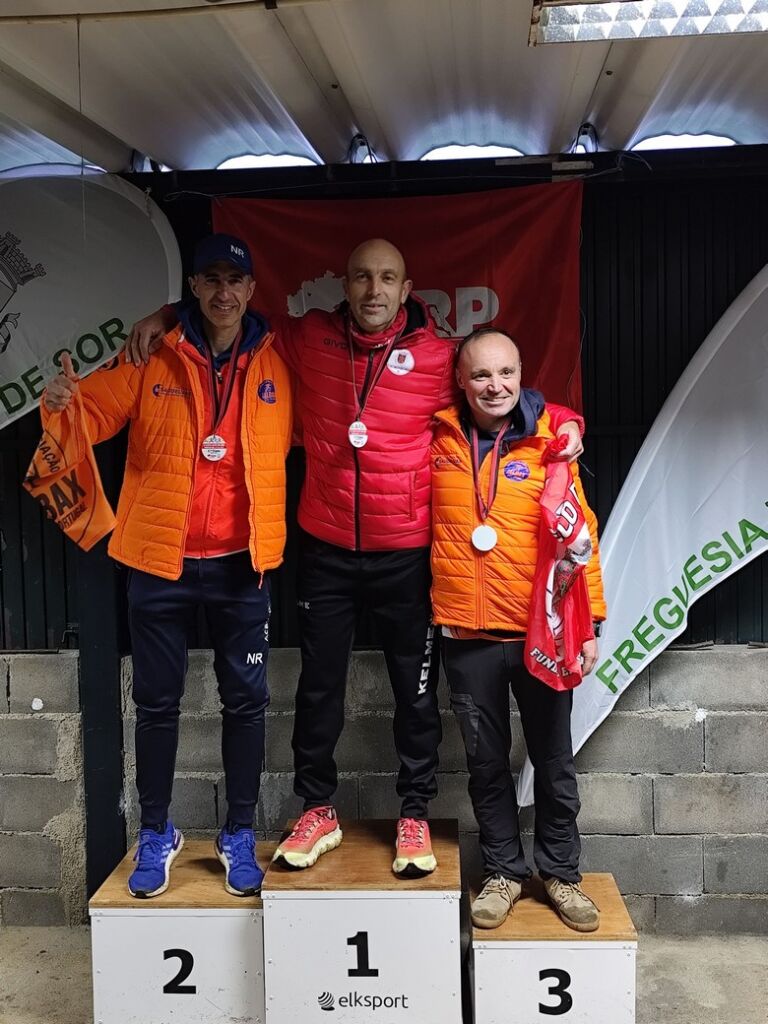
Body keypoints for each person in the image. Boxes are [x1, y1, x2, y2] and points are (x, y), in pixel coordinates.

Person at [125, 238, 583, 878]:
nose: (374, 290)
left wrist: (563, 419)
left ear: (406, 288)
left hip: (408, 553)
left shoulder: (441, 356)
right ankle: (317, 808)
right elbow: (228, 316)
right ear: (345, 285)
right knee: (318, 688)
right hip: (327, 549)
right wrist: (170, 313)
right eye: (363, 277)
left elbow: (501, 395)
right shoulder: (306, 338)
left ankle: (414, 812)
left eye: (387, 278)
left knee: (414, 693)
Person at [40, 234, 292, 898]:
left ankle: (239, 832)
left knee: (247, 704)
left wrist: (163, 312)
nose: (223, 292)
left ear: (252, 290)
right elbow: (91, 413)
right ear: (193, 288)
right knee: (156, 704)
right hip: (159, 562)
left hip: (242, 564)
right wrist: (63, 402)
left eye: (235, 280)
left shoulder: (278, 359)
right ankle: (157, 831)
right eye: (211, 279)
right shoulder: (151, 354)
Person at [429, 327, 606, 931]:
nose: (495, 385)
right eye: (481, 374)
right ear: (461, 380)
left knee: (553, 763)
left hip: (543, 634)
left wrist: (591, 622)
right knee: (485, 766)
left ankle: (561, 873)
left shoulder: (551, 444)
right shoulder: (437, 440)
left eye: (506, 372)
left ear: (522, 374)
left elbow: (581, 536)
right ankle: (503, 872)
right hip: (467, 635)